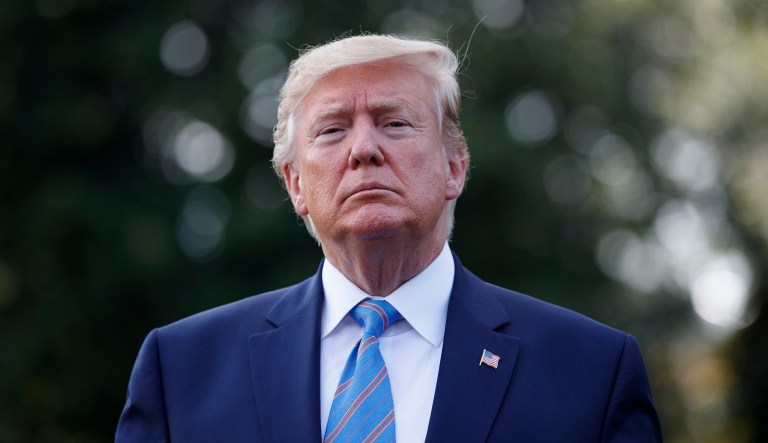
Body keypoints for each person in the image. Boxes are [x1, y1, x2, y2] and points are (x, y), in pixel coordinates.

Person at [116, 34, 663, 442]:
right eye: (332, 130)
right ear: (296, 184)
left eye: (394, 123)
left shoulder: (591, 372)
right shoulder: (181, 370)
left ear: (455, 166)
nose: (363, 149)